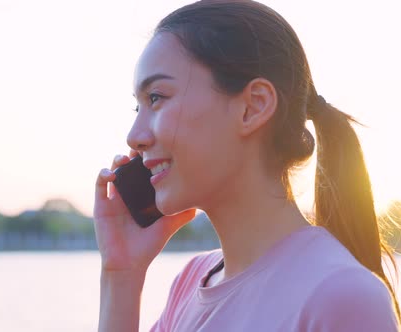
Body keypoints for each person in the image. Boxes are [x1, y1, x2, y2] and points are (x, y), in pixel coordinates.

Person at [93, 1, 400, 331]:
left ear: (253, 107)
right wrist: (121, 274)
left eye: (156, 98)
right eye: (137, 108)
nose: (134, 136)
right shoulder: (191, 284)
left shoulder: (341, 298)